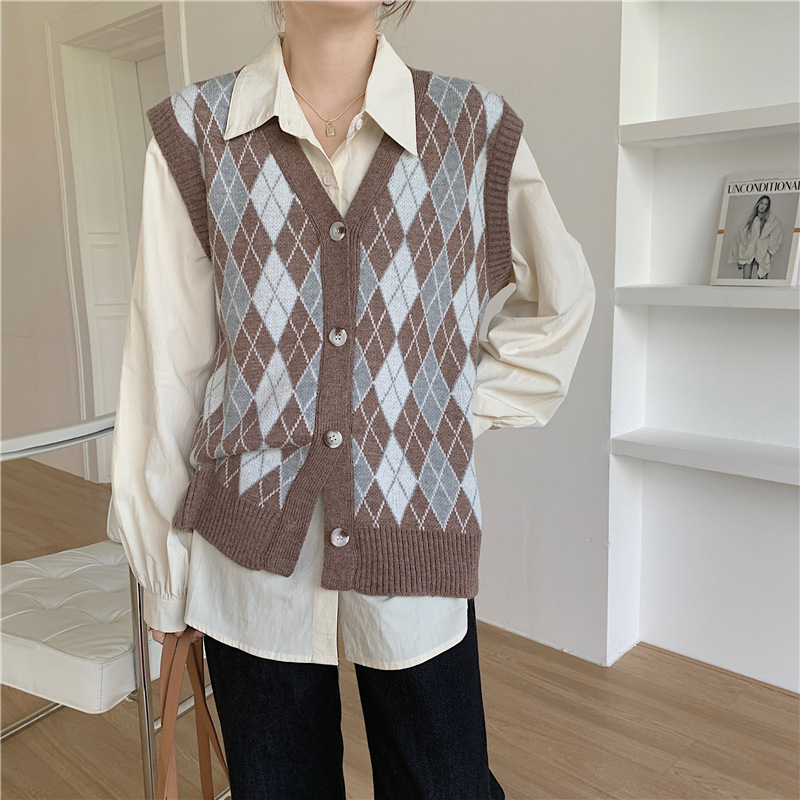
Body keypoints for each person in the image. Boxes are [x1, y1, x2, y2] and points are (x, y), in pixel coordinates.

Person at [108, 1, 596, 797]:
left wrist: (443, 414)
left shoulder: (470, 130)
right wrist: (164, 579)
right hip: (247, 559)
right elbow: (168, 366)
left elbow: (562, 306)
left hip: (417, 538)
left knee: (444, 784)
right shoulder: (197, 135)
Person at [728, 194, 783, 279]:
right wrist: (739, 256)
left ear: (768, 207)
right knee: (746, 281)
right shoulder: (750, 219)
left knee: (763, 281)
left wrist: (770, 251)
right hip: (748, 252)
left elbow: (776, 236)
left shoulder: (771, 221)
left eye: (766, 204)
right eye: (761, 203)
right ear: (758, 203)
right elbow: (741, 237)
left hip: (763, 253)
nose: (763, 206)